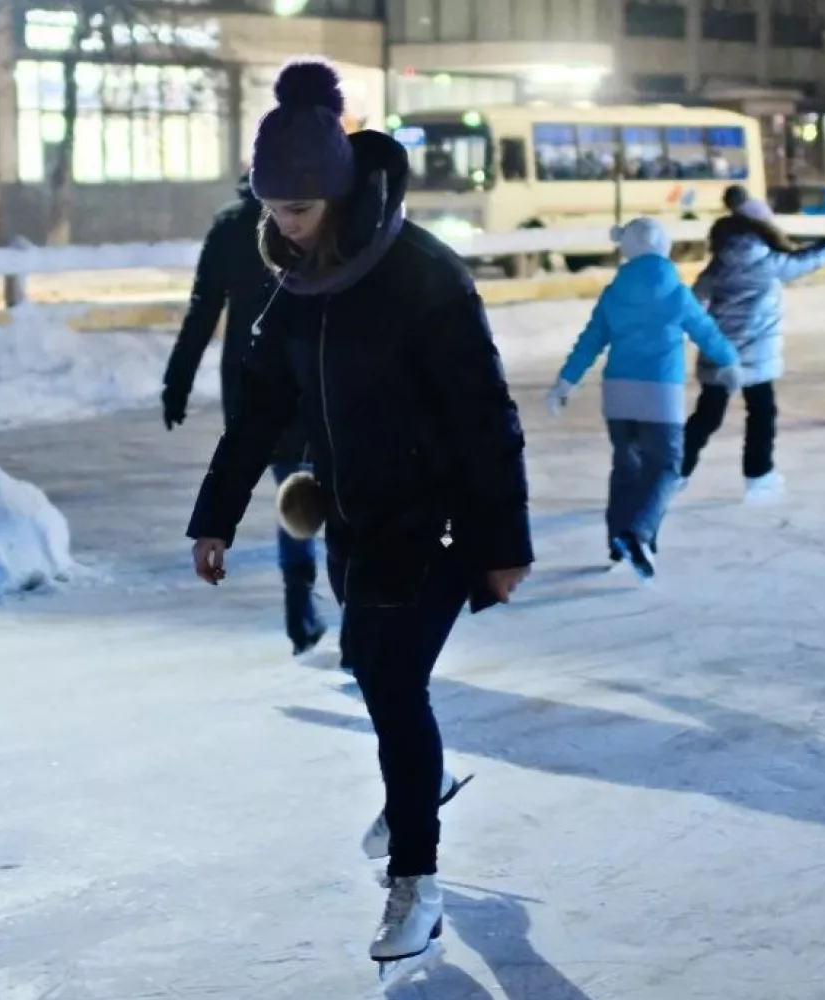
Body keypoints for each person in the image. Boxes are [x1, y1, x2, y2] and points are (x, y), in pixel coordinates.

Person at [184, 60, 532, 977]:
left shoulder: (423, 276)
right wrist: (214, 516)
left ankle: (416, 883)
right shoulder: (295, 285)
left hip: (440, 520)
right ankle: (417, 786)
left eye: (297, 209)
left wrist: (503, 544)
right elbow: (260, 410)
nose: (281, 224)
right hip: (353, 519)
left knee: (389, 676)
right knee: (377, 675)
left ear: (337, 195)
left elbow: (486, 415)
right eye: (273, 207)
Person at [162, 173, 330, 655]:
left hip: (253, 386)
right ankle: (329, 610)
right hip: (300, 384)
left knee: (293, 498)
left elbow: (202, 310)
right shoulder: (309, 221)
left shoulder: (228, 226)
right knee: (327, 496)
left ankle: (300, 610)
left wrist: (178, 382)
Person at [544, 217, 741, 578]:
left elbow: (590, 341)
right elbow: (705, 330)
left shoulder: (614, 292)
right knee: (665, 467)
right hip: (659, 394)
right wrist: (729, 361)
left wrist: (565, 383)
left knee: (627, 466)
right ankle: (638, 533)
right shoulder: (676, 293)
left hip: (618, 394)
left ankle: (619, 538)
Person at [682, 197, 825, 502]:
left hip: (719, 355)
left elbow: (692, 306)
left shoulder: (715, 270)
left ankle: (674, 473)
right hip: (756, 354)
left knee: (706, 417)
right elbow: (813, 259)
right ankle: (759, 476)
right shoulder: (771, 263)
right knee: (761, 414)